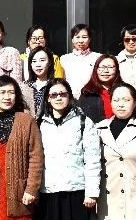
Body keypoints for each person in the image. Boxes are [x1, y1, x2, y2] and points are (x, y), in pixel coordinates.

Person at [94, 82, 136, 220]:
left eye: (126, 100)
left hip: (135, 197)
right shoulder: (99, 129)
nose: (121, 104)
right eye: (116, 100)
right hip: (106, 200)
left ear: (135, 103)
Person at [35, 80, 100, 220]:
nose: (58, 98)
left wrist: (92, 192)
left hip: (76, 192)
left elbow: (93, 159)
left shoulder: (84, 122)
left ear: (69, 96)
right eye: (54, 95)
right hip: (48, 192)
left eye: (62, 94)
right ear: (48, 98)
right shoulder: (39, 123)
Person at [0, 76, 43, 220]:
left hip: (19, 191)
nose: (7, 97)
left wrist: (31, 188)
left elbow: (36, 157)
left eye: (11, 92)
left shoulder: (26, 120)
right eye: (2, 92)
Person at [77, 55, 124, 123]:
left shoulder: (124, 90)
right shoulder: (87, 92)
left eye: (110, 67)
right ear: (96, 69)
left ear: (117, 69)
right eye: (102, 67)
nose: (106, 71)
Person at [60, 24, 102, 98]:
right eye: (77, 37)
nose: (80, 41)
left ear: (90, 39)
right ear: (72, 39)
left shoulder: (98, 57)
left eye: (84, 37)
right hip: (70, 98)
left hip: (91, 97)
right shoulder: (64, 59)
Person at [24, 46, 57, 115]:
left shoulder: (56, 85)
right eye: (34, 61)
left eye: (42, 60)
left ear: (50, 62)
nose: (38, 65)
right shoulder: (25, 86)